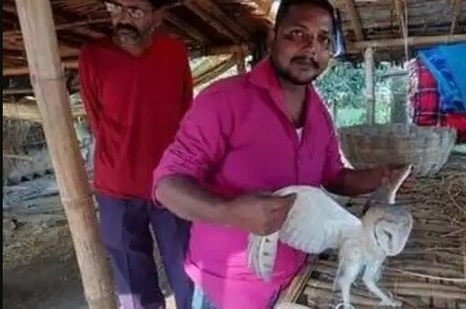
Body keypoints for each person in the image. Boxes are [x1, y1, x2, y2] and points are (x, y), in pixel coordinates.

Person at [152, 0, 408, 308]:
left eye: (324, 39)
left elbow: (332, 176)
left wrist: (377, 177)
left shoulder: (319, 116)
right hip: (229, 288)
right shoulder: (223, 101)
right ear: (273, 38)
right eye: (297, 34)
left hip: (295, 278)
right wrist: (228, 211)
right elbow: (166, 185)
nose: (311, 48)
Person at [78, 0, 194, 308]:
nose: (122, 19)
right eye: (114, 7)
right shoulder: (93, 57)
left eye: (134, 10)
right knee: (134, 288)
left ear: (159, 15)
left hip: (171, 185)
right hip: (116, 190)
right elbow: (96, 120)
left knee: (188, 272)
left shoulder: (175, 52)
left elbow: (185, 113)